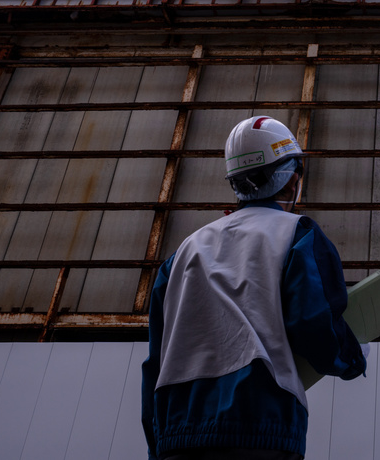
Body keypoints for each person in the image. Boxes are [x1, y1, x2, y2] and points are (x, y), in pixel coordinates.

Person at [142, 116, 367, 460]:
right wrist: (352, 359)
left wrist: (158, 444)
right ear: (292, 182)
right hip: (260, 424)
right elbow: (313, 324)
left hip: (178, 433)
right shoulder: (298, 234)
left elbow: (156, 361)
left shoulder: (181, 255)